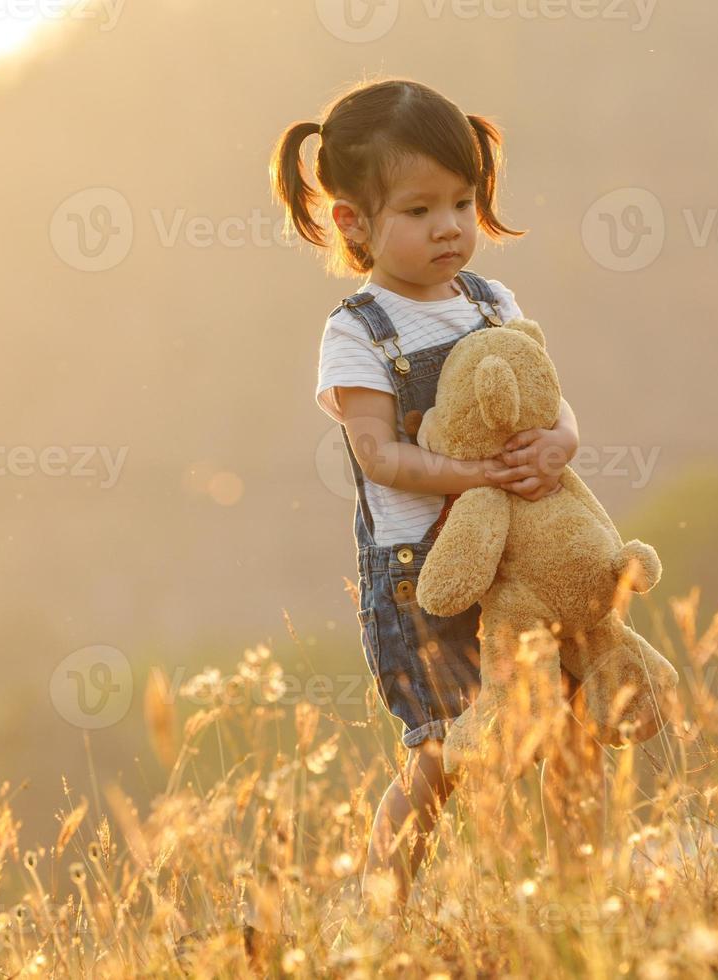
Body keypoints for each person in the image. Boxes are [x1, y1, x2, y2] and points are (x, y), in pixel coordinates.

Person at [269, 77, 602, 918]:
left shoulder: (494, 303)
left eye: (462, 201)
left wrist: (559, 440)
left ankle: (581, 896)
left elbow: (547, 397)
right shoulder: (359, 329)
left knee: (570, 723)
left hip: (522, 563)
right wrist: (477, 476)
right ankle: (379, 906)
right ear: (352, 222)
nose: (450, 226)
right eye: (418, 211)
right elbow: (378, 454)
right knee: (445, 753)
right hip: (424, 577)